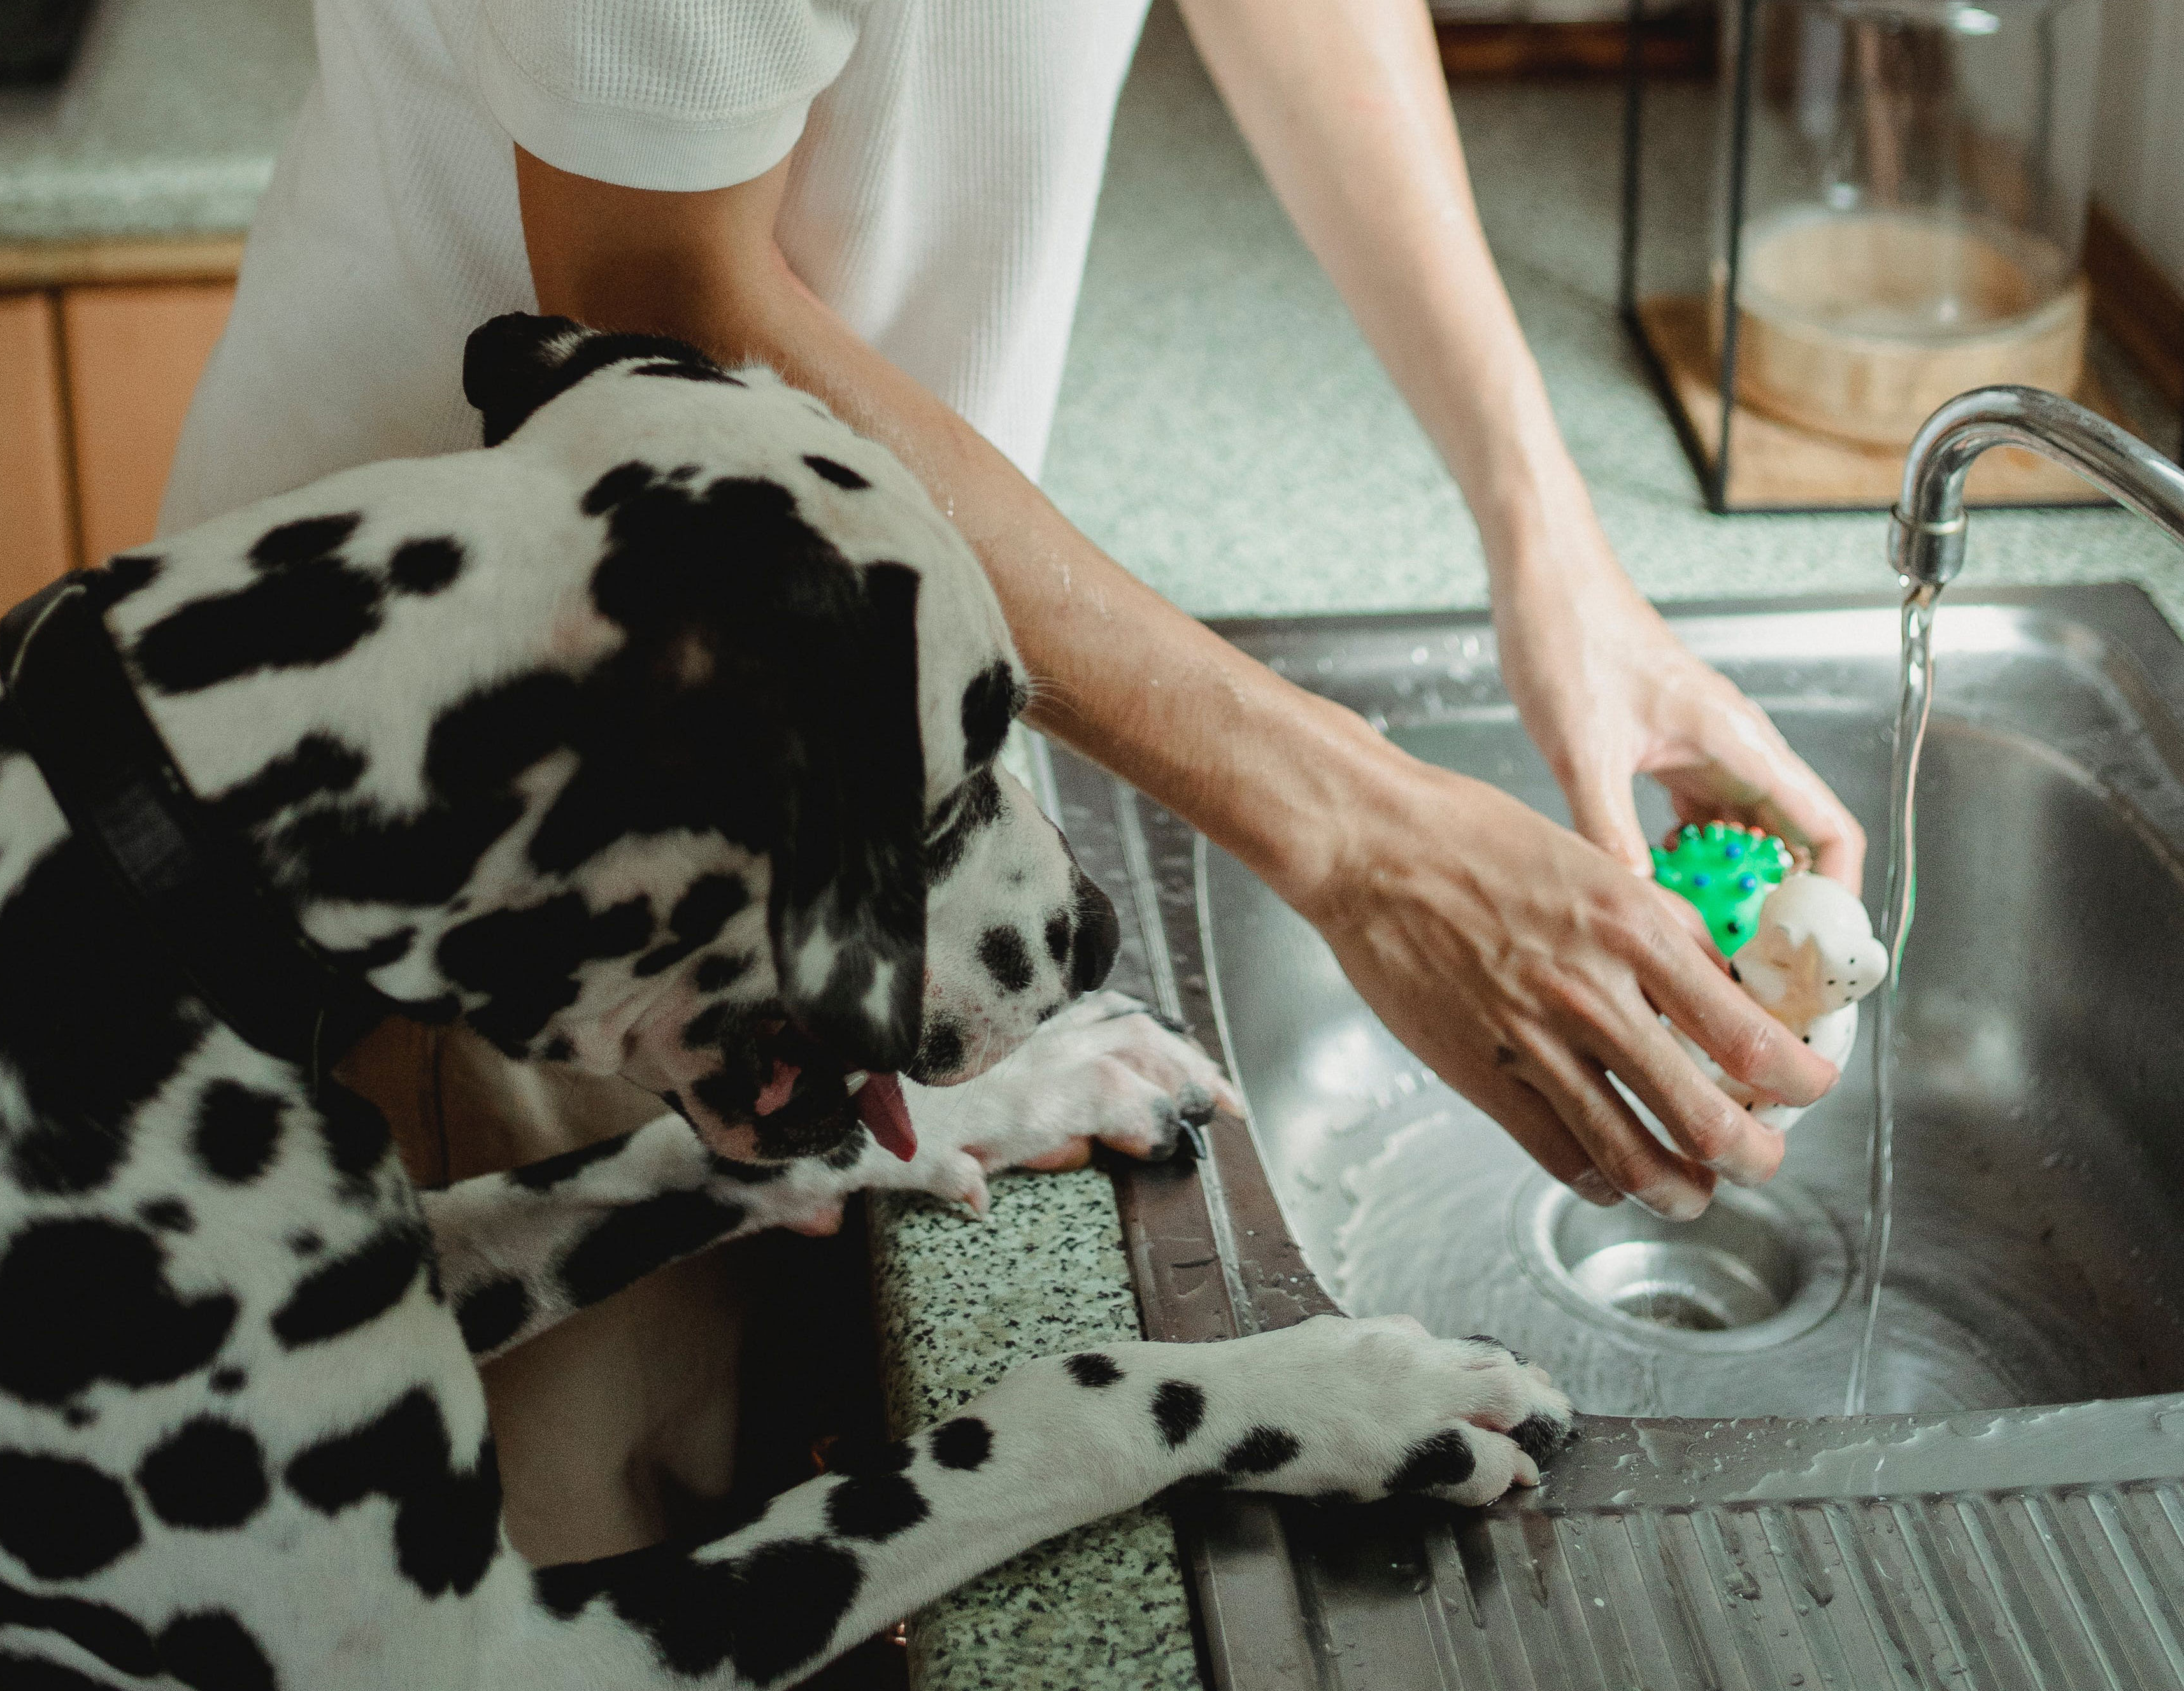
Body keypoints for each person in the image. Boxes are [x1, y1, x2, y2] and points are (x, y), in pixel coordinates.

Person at [168, 0, 1863, 1257]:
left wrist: (1548, 536)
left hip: (823, 752)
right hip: (505, 839)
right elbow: (658, 306)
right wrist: (1367, 835)